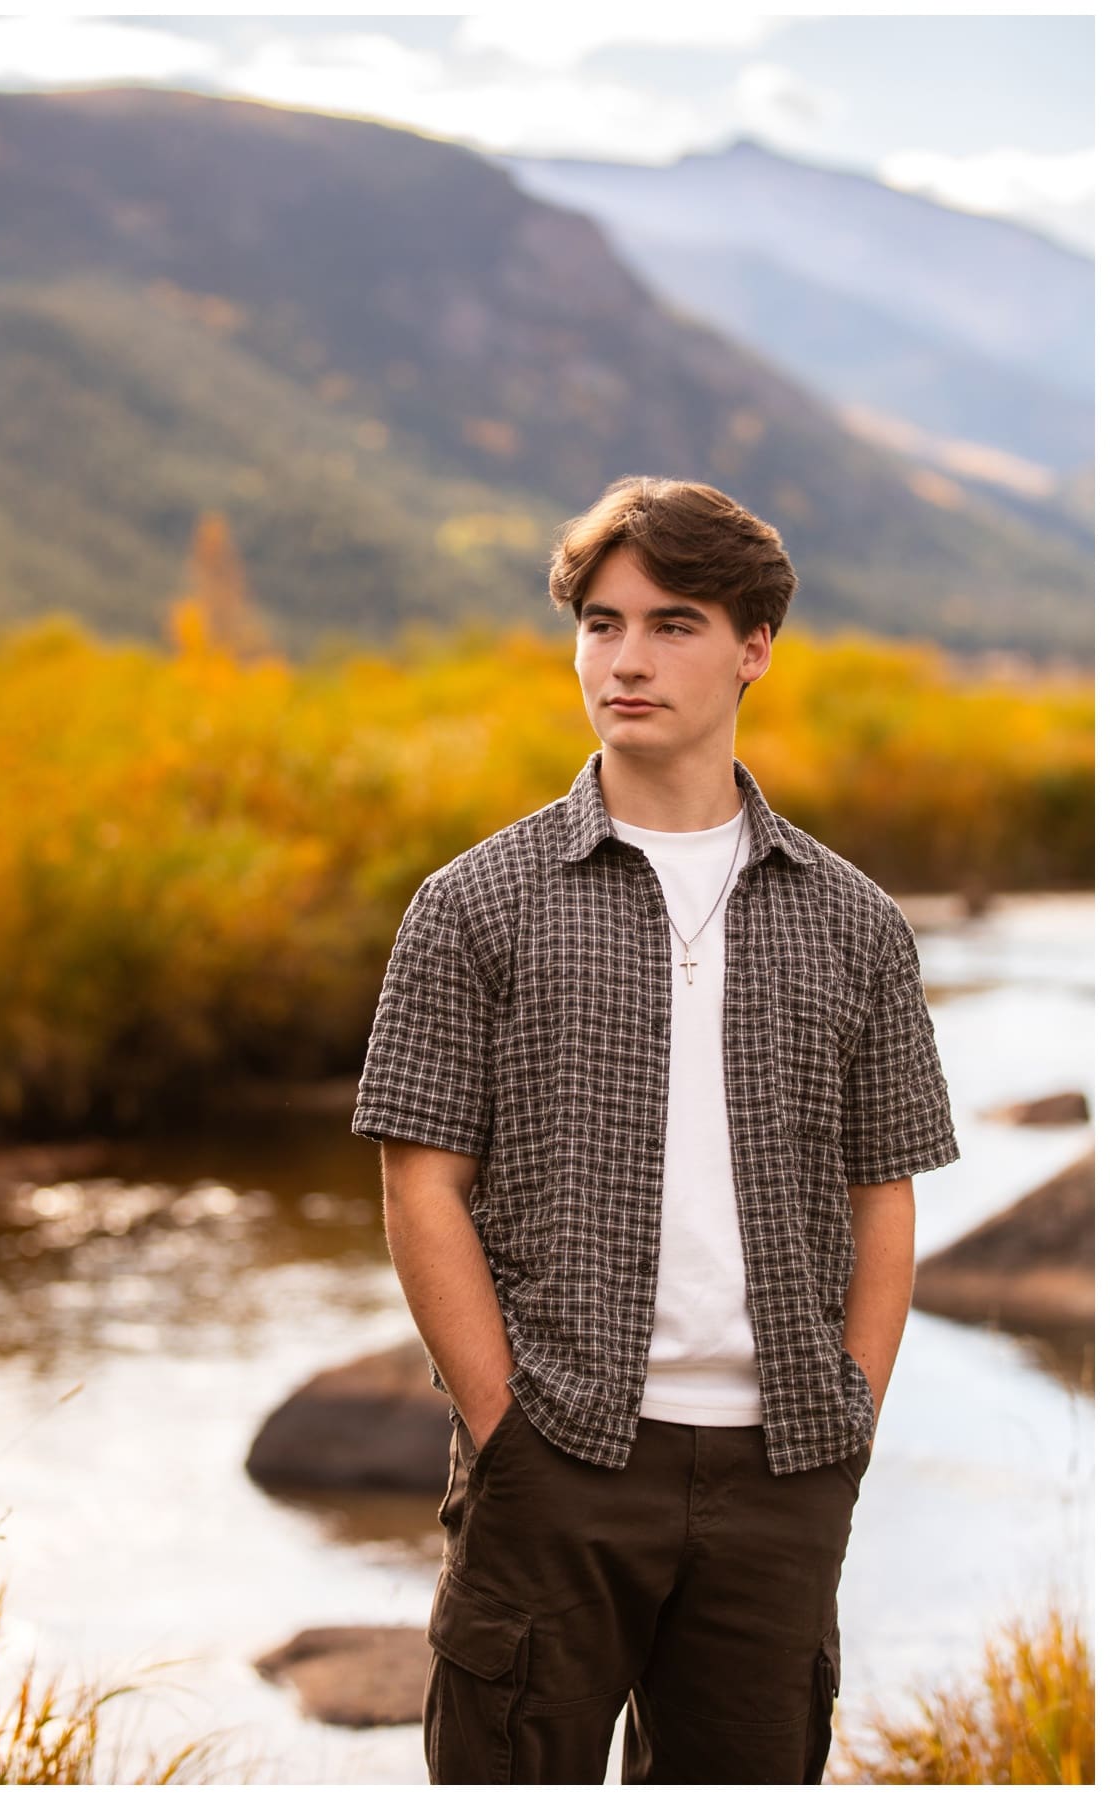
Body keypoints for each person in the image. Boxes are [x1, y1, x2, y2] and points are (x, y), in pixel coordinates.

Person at [352, 476, 957, 1784]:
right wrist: (503, 1427)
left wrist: (846, 1420)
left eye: (673, 624)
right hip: (555, 1463)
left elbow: (885, 1195)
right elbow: (420, 1188)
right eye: (601, 622)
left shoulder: (856, 924)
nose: (625, 659)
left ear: (754, 650)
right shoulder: (473, 906)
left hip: (782, 1473)